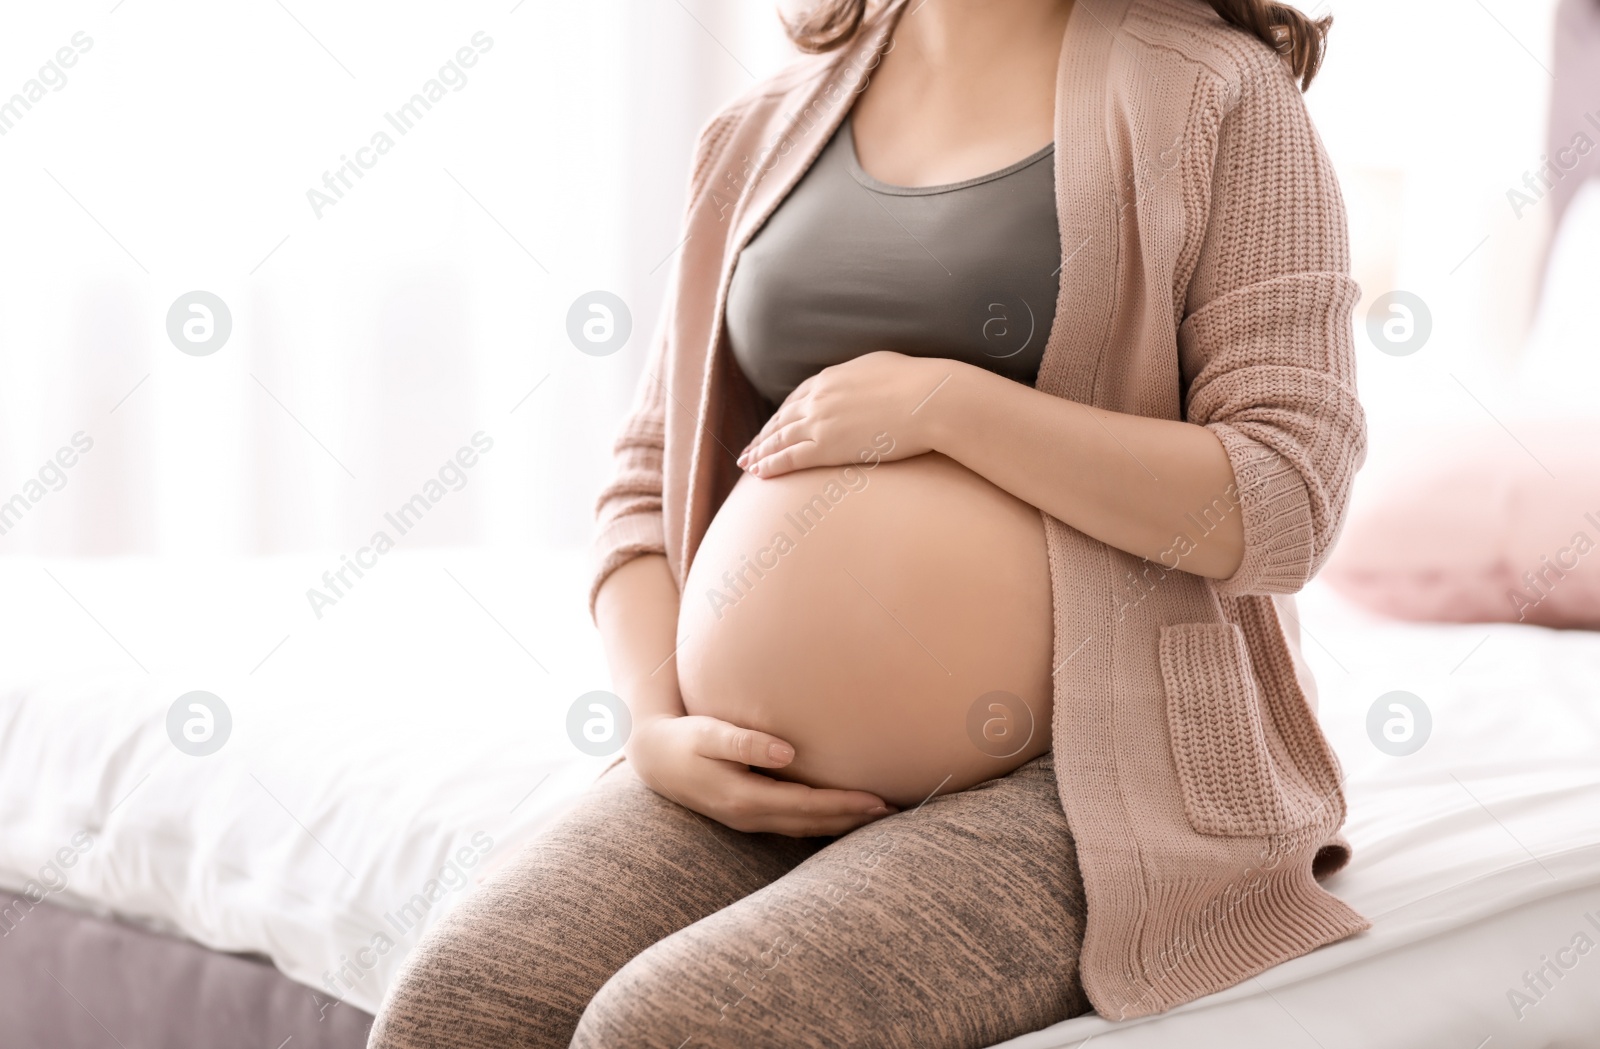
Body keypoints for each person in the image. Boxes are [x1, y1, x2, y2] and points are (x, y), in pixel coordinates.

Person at [369, 1, 1370, 1045]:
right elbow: (635, 491)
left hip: (1091, 773)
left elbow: (1286, 494)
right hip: (751, 768)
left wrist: (952, 405)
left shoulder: (1213, 93)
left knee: (671, 1028)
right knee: (460, 1004)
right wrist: (656, 723)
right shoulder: (762, 127)